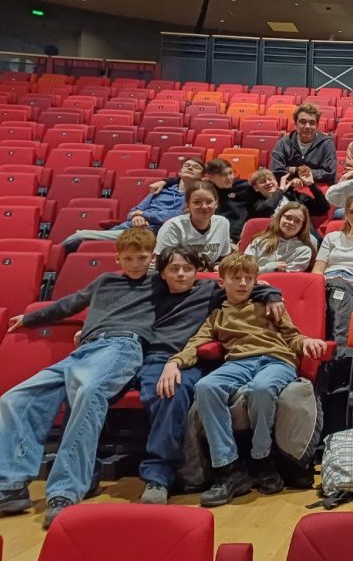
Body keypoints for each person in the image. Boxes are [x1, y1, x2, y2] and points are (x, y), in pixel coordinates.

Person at [0, 229, 158, 528]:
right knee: (16, 398)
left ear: (152, 257)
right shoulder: (105, 281)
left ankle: (65, 491)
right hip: (86, 349)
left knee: (88, 392)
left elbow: (197, 282)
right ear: (118, 258)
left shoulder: (159, 284)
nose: (135, 264)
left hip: (123, 346)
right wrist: (30, 317)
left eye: (142, 258)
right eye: (129, 258)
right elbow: (71, 303)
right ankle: (9, 487)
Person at [156, 252, 328, 507]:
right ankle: (228, 468)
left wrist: (306, 342)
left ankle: (262, 459)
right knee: (205, 386)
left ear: (256, 281)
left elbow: (293, 336)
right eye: (236, 278)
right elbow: (196, 343)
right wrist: (174, 362)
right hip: (238, 362)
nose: (243, 283)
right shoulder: (218, 314)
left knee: (261, 388)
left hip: (276, 360)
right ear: (222, 282)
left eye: (249, 278)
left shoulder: (269, 305)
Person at [138, 247, 285, 505]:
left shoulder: (208, 291)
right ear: (161, 273)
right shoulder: (150, 292)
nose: (181, 274)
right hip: (154, 356)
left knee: (172, 392)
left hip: (197, 359)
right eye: (174, 269)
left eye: (187, 268)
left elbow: (247, 284)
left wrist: (272, 294)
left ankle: (160, 476)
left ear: (198, 272)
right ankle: (226, 469)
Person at [61, 157, 205, 252]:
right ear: (179, 172)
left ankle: (55, 260)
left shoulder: (196, 196)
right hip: (128, 227)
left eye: (195, 167)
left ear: (202, 176)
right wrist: (137, 216)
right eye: (187, 165)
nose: (190, 168)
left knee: (80, 237)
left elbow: (178, 215)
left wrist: (144, 215)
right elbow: (134, 211)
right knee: (82, 243)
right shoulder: (160, 189)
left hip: (152, 232)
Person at [154, 180, 232, 269]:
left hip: (209, 276)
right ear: (188, 206)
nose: (204, 206)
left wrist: (216, 266)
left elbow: (223, 258)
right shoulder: (172, 227)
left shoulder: (222, 223)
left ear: (216, 204)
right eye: (197, 202)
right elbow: (162, 264)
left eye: (209, 201)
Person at [271, 103, 337, 185]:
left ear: (317, 125)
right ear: (295, 124)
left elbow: (329, 173)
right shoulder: (283, 143)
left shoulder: (327, 143)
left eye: (312, 123)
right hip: (290, 187)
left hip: (317, 188)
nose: (307, 126)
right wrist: (298, 172)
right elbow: (276, 170)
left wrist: (295, 171)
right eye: (303, 122)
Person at [244, 202, 316, 274]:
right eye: (288, 217)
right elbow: (245, 269)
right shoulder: (259, 240)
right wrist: (270, 268)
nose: (291, 222)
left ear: (302, 226)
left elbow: (287, 277)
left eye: (297, 221)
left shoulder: (304, 251)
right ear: (280, 218)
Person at [249, 166, 329, 219]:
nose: (268, 182)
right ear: (256, 188)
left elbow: (323, 208)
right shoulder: (256, 204)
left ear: (276, 182)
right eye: (263, 181)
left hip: (301, 236)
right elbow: (268, 208)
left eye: (270, 179)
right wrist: (280, 190)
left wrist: (311, 184)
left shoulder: (294, 196)